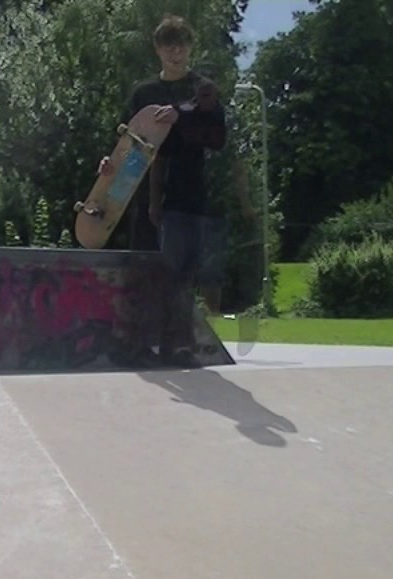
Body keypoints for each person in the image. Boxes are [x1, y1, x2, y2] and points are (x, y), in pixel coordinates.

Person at [98, 14, 227, 366]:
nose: (176, 51)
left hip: (186, 194)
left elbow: (218, 139)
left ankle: (178, 346)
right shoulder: (144, 93)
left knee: (179, 274)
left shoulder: (203, 90)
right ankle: (138, 345)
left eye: (182, 44)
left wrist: (182, 118)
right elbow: (129, 142)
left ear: (190, 48)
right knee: (143, 270)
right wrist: (110, 168)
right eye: (169, 44)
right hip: (144, 192)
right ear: (157, 49)